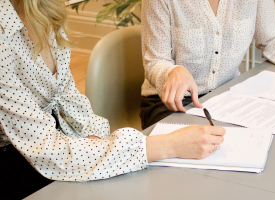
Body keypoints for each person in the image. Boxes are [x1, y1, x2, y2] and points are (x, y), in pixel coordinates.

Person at [0, 0, 225, 199]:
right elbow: (47, 150)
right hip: (18, 157)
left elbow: (67, 98)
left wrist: (94, 139)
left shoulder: (45, 10)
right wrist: (167, 145)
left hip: (53, 140)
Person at [140, 0, 275, 129]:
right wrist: (172, 72)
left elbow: (272, 40)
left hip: (227, 97)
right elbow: (155, 61)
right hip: (172, 104)